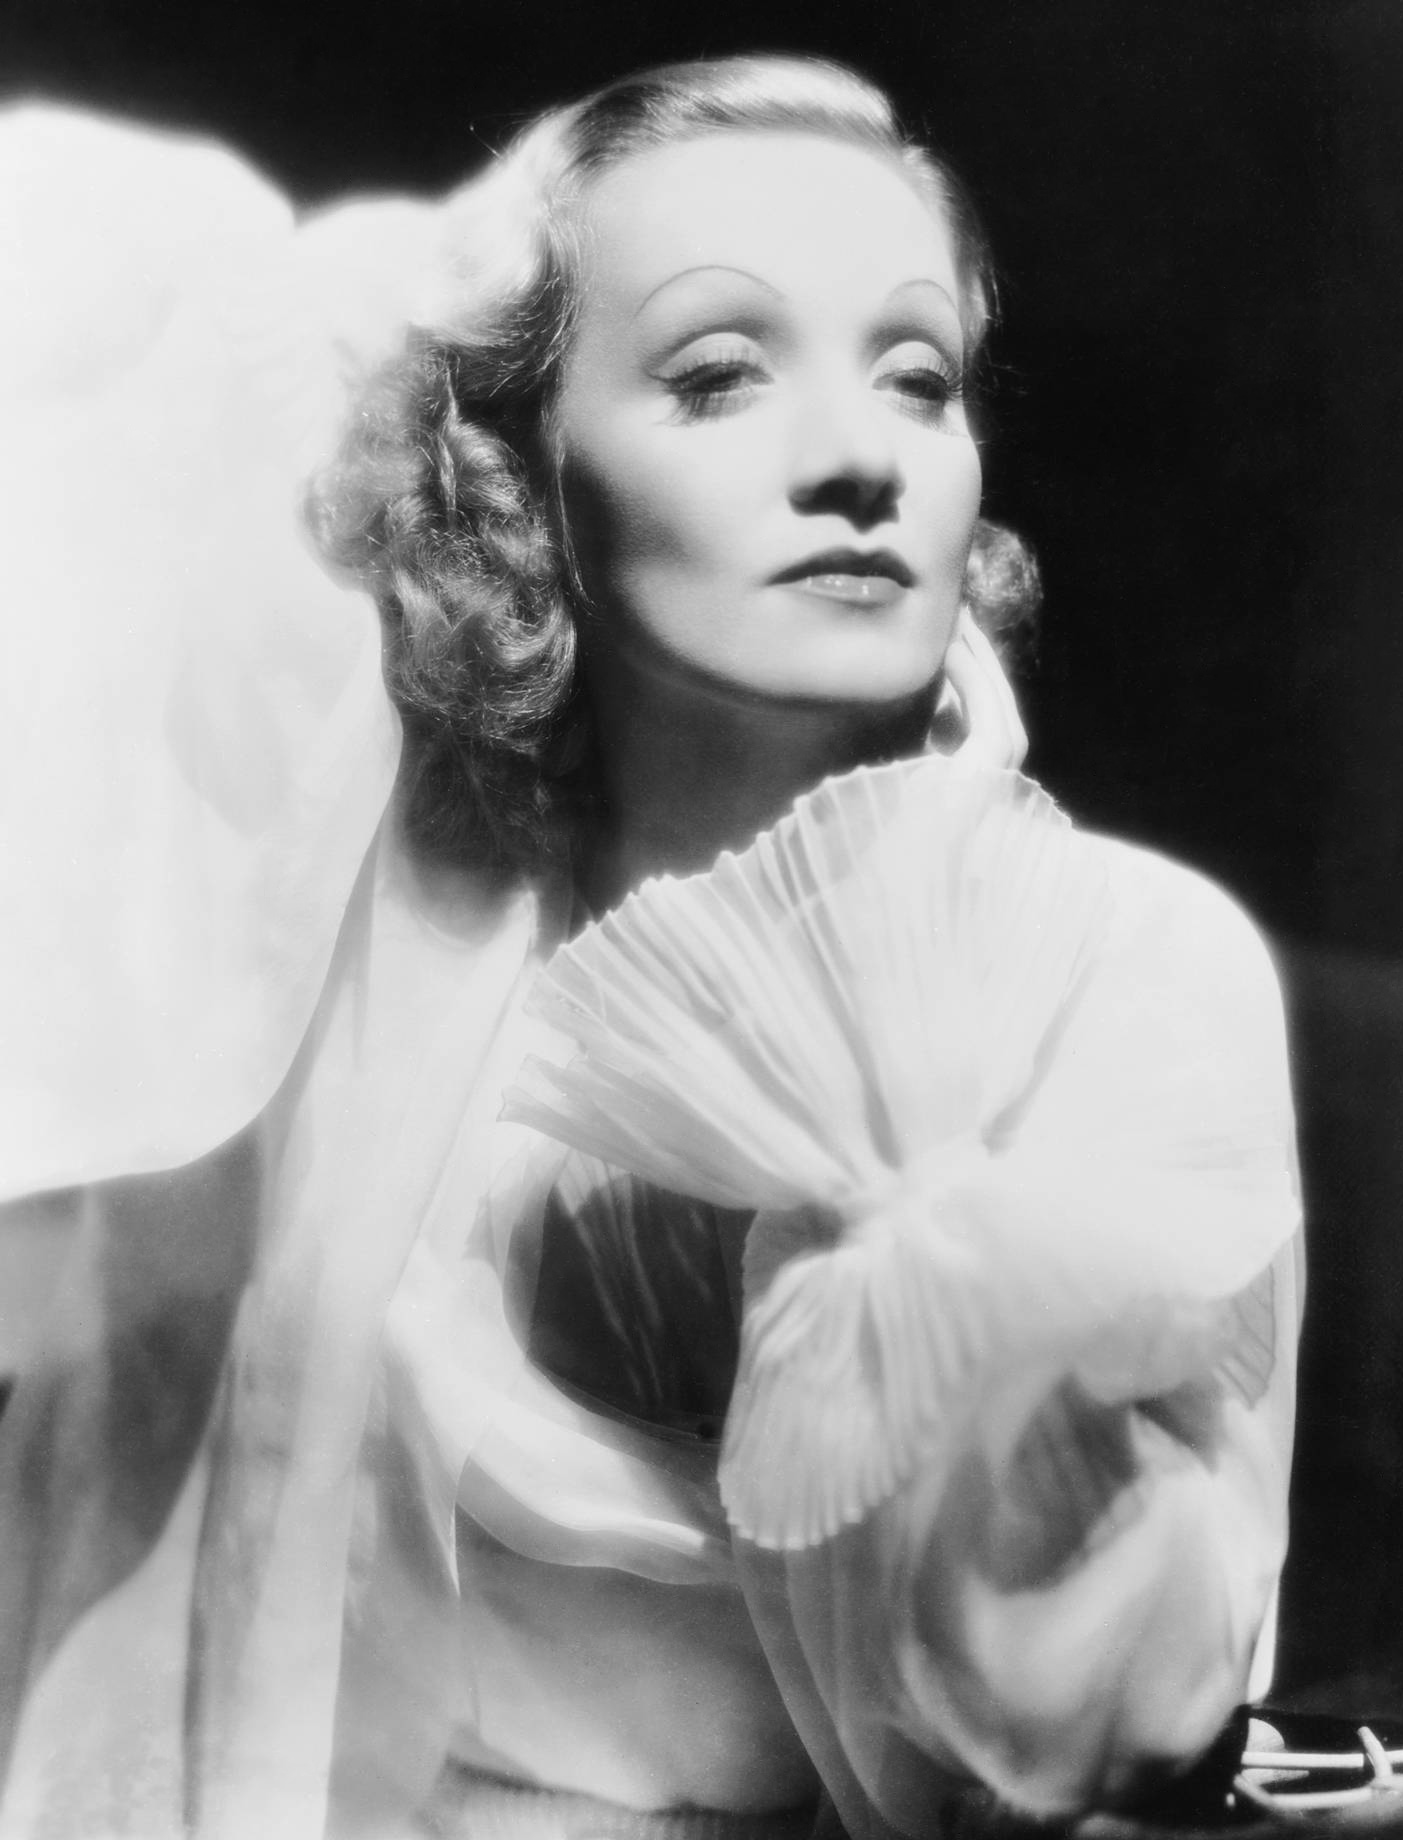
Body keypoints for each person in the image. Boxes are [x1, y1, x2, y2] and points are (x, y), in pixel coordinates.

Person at [0, 55, 1301, 1840]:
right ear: (519, 473)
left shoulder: (1130, 972)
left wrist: (910, 1220)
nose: (859, 458)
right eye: (718, 373)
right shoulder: (382, 975)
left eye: (919, 377)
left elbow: (1129, 1742)